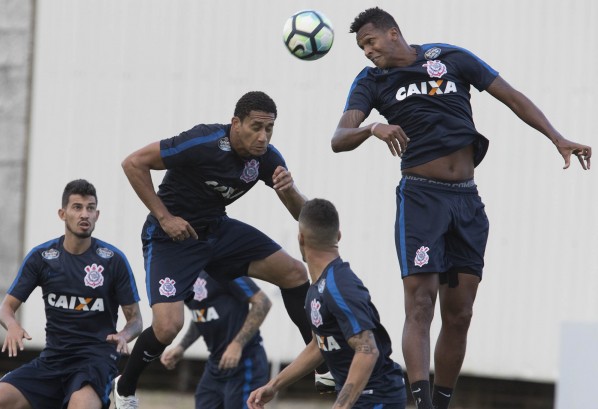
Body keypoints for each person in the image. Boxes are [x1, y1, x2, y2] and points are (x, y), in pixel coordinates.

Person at [331, 7, 592, 409]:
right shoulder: (371, 81)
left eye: (370, 42)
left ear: (393, 33)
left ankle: (441, 403)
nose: (366, 52)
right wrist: (371, 128)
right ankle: (419, 403)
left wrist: (556, 137)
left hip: (466, 201)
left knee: (460, 314)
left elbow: (511, 96)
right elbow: (339, 137)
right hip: (421, 199)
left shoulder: (448, 57)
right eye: (361, 47)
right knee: (421, 304)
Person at [115, 90, 332, 408]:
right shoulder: (202, 141)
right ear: (235, 123)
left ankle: (322, 367)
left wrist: (291, 190)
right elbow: (133, 162)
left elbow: (301, 215)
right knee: (167, 327)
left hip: (216, 231)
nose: (263, 137)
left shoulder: (266, 158)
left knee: (294, 273)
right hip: (172, 238)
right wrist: (165, 217)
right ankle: (125, 386)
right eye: (256, 127)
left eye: (269, 129)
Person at [0, 179, 142, 409]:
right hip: (53, 360)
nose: (84, 214)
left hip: (95, 360)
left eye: (90, 208)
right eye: (77, 207)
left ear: (97, 214)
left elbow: (136, 320)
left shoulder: (113, 260)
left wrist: (124, 335)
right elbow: (5, 309)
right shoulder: (42, 257)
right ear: (62, 213)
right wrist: (12, 325)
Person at [247, 198, 407, 409]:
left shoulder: (339, 285)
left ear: (301, 239)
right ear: (338, 236)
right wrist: (273, 386)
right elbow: (319, 345)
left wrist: (340, 406)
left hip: (377, 398)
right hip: (361, 399)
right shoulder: (317, 287)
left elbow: (368, 350)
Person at [160, 271, 272, 409]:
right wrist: (182, 346)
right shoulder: (183, 277)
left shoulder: (224, 268)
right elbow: (202, 315)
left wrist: (237, 344)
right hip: (215, 366)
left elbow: (263, 302)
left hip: (245, 363)